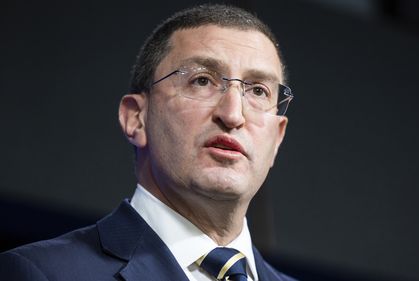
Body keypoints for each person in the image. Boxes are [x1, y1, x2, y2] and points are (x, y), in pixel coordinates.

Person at [0, 4, 295, 281]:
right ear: (136, 118)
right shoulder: (42, 273)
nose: (232, 114)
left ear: (277, 138)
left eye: (258, 91)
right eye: (202, 81)